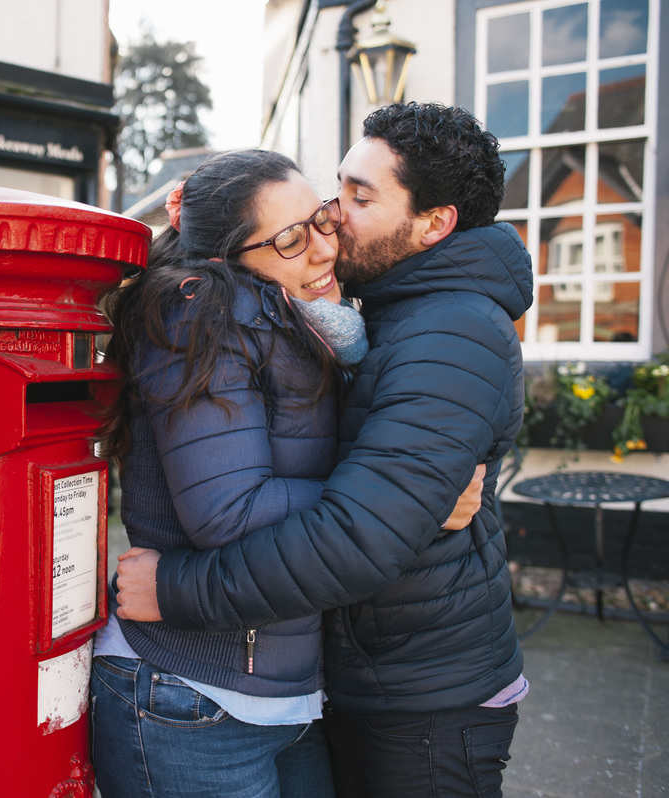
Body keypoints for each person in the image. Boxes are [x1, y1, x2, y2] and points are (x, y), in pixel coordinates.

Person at [114, 102, 534, 798]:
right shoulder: (360, 316)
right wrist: (415, 499)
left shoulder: (446, 328)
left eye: (356, 199)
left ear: (435, 223)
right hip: (311, 682)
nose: (333, 223)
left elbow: (362, 530)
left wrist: (176, 587)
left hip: (420, 697)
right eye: (336, 191)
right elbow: (259, 500)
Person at [90, 149, 361, 798]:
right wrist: (393, 496)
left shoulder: (306, 324)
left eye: (322, 219)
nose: (323, 248)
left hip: (283, 690)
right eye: (292, 239)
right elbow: (228, 511)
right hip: (188, 696)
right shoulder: (198, 316)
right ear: (223, 262)